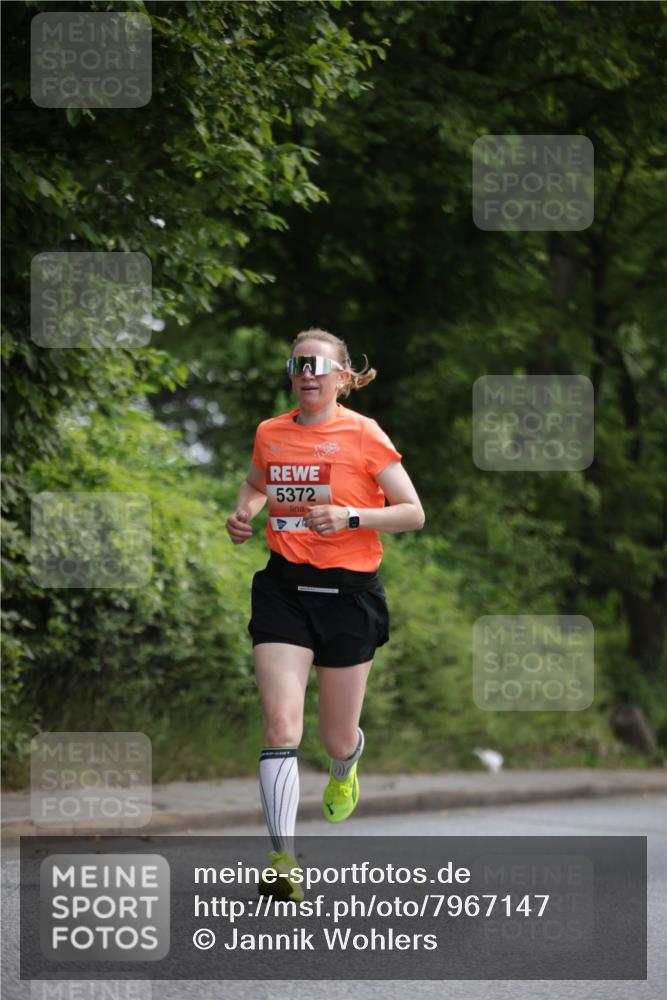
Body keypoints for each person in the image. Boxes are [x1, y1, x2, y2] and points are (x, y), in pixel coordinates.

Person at [226, 328, 425, 900]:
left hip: (349, 597)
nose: (307, 374)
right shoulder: (271, 432)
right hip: (284, 591)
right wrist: (244, 513)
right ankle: (282, 861)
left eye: (318, 365)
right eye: (298, 365)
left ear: (342, 377)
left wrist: (350, 517)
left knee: (336, 739)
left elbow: (412, 513)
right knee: (280, 725)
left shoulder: (364, 434)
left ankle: (345, 766)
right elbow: (256, 484)